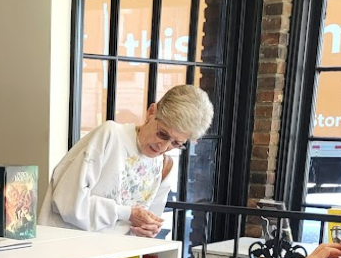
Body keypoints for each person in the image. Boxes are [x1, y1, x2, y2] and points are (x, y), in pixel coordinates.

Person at [39, 84, 214, 237]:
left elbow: (147, 223)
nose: (163, 146)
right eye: (162, 134)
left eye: (176, 143)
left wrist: (149, 229)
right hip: (65, 249)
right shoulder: (111, 136)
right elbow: (67, 202)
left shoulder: (165, 166)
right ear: (151, 112)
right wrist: (127, 213)